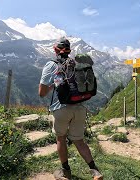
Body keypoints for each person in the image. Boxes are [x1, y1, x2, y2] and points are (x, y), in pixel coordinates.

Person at [38, 37, 103, 180]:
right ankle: (95, 170)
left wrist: (52, 86)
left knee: (60, 138)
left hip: (61, 109)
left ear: (55, 50)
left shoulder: (51, 65)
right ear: (69, 51)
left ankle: (65, 170)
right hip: (80, 107)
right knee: (79, 141)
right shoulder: (76, 64)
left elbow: (42, 93)